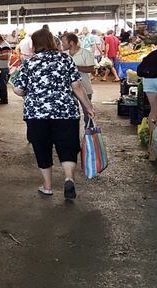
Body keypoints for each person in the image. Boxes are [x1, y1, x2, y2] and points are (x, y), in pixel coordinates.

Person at [12, 29, 95, 199]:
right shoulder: (66, 59)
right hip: (66, 112)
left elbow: (19, 89)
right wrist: (88, 106)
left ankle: (48, 186)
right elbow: (77, 86)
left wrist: (32, 93)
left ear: (34, 45)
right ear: (53, 42)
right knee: (68, 146)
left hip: (37, 114)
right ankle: (69, 178)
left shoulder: (29, 63)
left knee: (42, 147)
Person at [61, 33, 95, 124]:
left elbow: (91, 69)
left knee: (88, 113)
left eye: (64, 42)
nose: (62, 44)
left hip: (85, 88)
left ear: (71, 42)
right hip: (68, 90)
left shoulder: (86, 53)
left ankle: (89, 136)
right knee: (72, 115)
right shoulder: (63, 55)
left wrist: (74, 68)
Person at [0, 33, 12, 104]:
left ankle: (4, 100)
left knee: (2, 85)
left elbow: (6, 57)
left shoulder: (5, 45)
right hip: (0, 68)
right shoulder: (0, 45)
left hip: (3, 68)